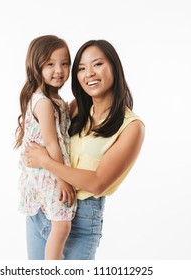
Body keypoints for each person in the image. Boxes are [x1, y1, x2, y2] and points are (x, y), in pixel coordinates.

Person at [24, 39, 145, 260]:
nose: (89, 73)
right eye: (81, 68)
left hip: (81, 221)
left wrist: (47, 162)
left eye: (97, 64)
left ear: (114, 68)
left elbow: (97, 182)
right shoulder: (74, 108)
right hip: (43, 209)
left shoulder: (132, 127)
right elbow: (46, 137)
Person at [14, 35, 77, 260]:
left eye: (64, 63)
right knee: (61, 227)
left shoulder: (53, 100)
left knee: (59, 225)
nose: (58, 70)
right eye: (50, 64)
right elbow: (52, 142)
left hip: (45, 170)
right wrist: (63, 179)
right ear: (36, 65)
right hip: (49, 173)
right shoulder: (43, 102)